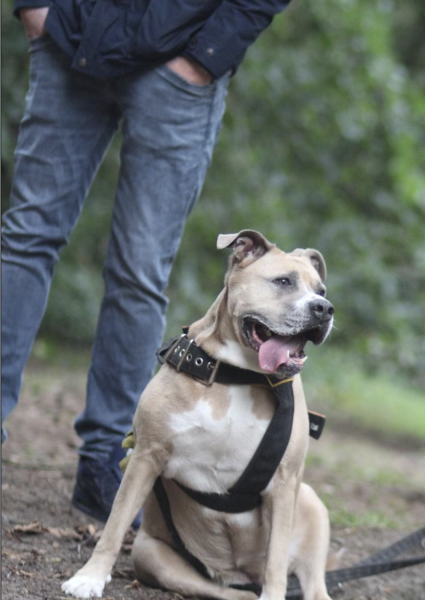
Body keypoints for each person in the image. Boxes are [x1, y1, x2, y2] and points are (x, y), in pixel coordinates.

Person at [1, 0, 292, 527]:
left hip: (181, 63)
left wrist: (206, 56)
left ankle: (106, 464)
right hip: (71, 35)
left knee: (138, 273)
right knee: (25, 239)